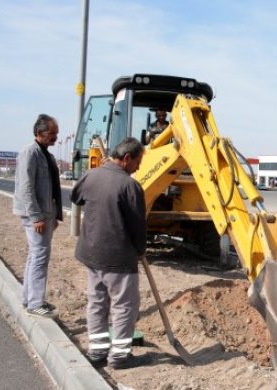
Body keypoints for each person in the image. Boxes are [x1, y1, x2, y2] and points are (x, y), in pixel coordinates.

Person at [70, 137, 152, 370]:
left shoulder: (92, 175)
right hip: (118, 258)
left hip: (91, 254)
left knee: (96, 302)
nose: (139, 167)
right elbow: (138, 226)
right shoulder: (130, 186)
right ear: (126, 159)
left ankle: (97, 352)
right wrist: (140, 250)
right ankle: (119, 356)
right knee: (124, 306)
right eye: (138, 161)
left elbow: (76, 197)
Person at [13, 114, 63, 318]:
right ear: (40, 133)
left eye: (56, 134)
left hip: (45, 214)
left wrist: (54, 216)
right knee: (40, 257)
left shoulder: (47, 155)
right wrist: (37, 217)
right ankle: (35, 303)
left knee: (35, 256)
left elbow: (52, 189)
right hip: (36, 216)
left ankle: (28, 299)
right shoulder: (29, 153)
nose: (55, 138)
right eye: (52, 134)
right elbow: (26, 188)